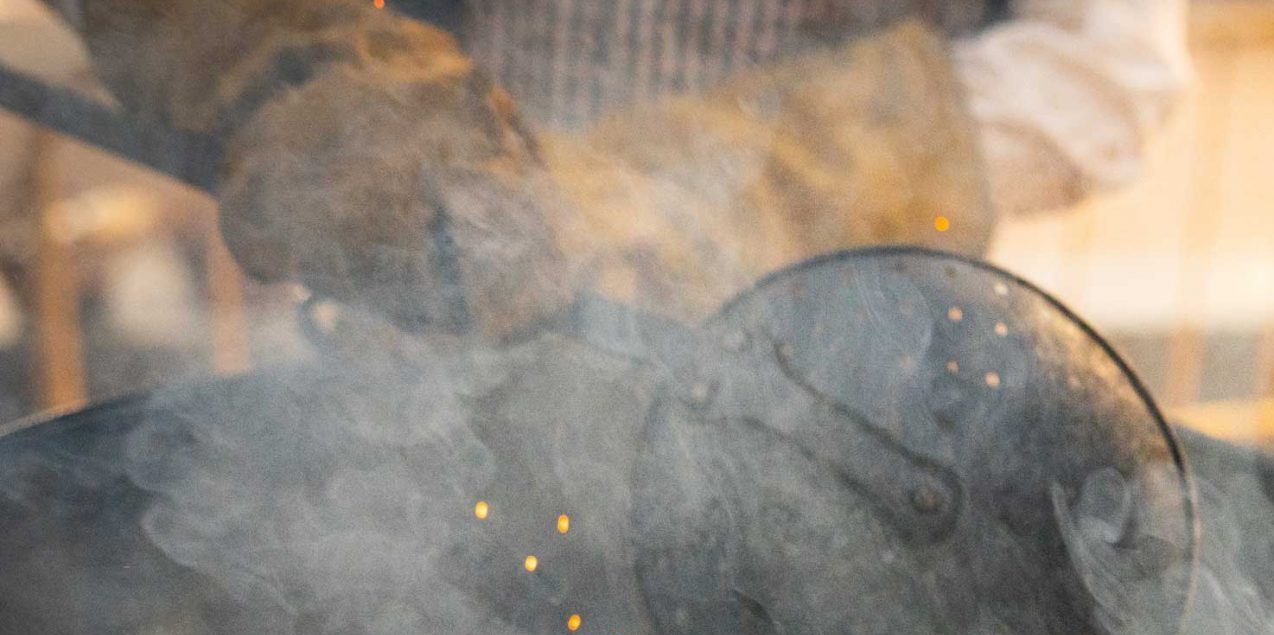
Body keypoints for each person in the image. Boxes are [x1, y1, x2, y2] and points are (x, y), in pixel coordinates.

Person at [46, 0, 1189, 337]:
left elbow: (1106, 69)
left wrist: (653, 193)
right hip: (448, 342)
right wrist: (279, 58)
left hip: (844, 375)